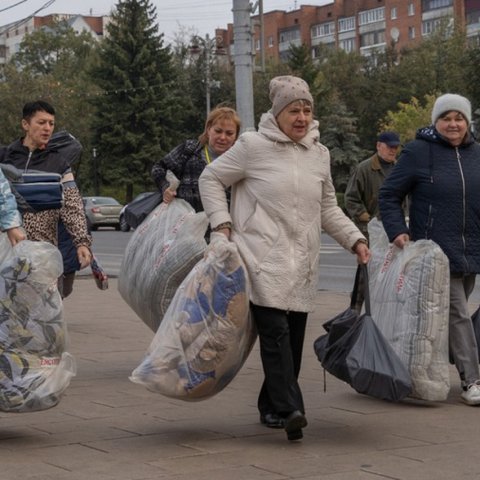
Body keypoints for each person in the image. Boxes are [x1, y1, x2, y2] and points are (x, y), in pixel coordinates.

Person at [199, 75, 370, 441]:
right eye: (294, 109)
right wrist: (223, 224)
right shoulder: (252, 146)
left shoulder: (319, 154)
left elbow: (328, 208)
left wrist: (355, 239)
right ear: (278, 114)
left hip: (303, 262)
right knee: (275, 336)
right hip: (260, 256)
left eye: (307, 110)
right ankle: (291, 408)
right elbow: (210, 179)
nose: (302, 117)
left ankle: (270, 406)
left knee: (291, 342)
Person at [379, 93, 480, 406]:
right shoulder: (419, 152)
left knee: (454, 315)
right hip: (434, 253)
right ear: (436, 122)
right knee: (458, 314)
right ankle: (471, 380)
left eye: (459, 118)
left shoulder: (477, 153)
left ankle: (424, 366)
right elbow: (388, 195)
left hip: (471, 249)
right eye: (446, 118)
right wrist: (398, 231)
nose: (453, 124)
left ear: (467, 122)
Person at [1, 100, 92, 290]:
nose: (47, 128)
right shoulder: (5, 157)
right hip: (6, 249)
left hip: (42, 252)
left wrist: (81, 242)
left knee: (42, 312)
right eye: (41, 123)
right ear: (26, 124)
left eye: (51, 124)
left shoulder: (59, 164)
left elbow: (72, 207)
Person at [344, 130, 401, 312]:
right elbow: (351, 199)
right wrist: (367, 219)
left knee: (390, 273)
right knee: (365, 273)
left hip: (394, 230)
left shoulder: (400, 168)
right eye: (389, 146)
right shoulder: (365, 168)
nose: (393, 150)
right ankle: (354, 312)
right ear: (378, 146)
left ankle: (382, 311)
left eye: (395, 147)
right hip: (371, 230)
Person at [151, 106, 241, 213]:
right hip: (184, 223)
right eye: (218, 131)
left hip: (223, 226)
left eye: (229, 133)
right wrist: (165, 187)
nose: (222, 137)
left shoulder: (241, 162)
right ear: (208, 130)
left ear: (235, 136)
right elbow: (159, 168)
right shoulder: (190, 149)